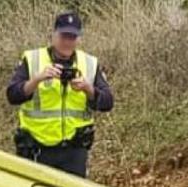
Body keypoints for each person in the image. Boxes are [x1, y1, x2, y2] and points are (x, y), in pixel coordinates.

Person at [6, 12, 114, 177]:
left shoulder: (90, 63)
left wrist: (87, 88)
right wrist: (37, 79)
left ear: (79, 39)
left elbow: (108, 102)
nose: (67, 42)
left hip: (74, 150)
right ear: (53, 35)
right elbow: (12, 96)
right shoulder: (32, 59)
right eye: (64, 36)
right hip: (37, 148)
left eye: (72, 37)